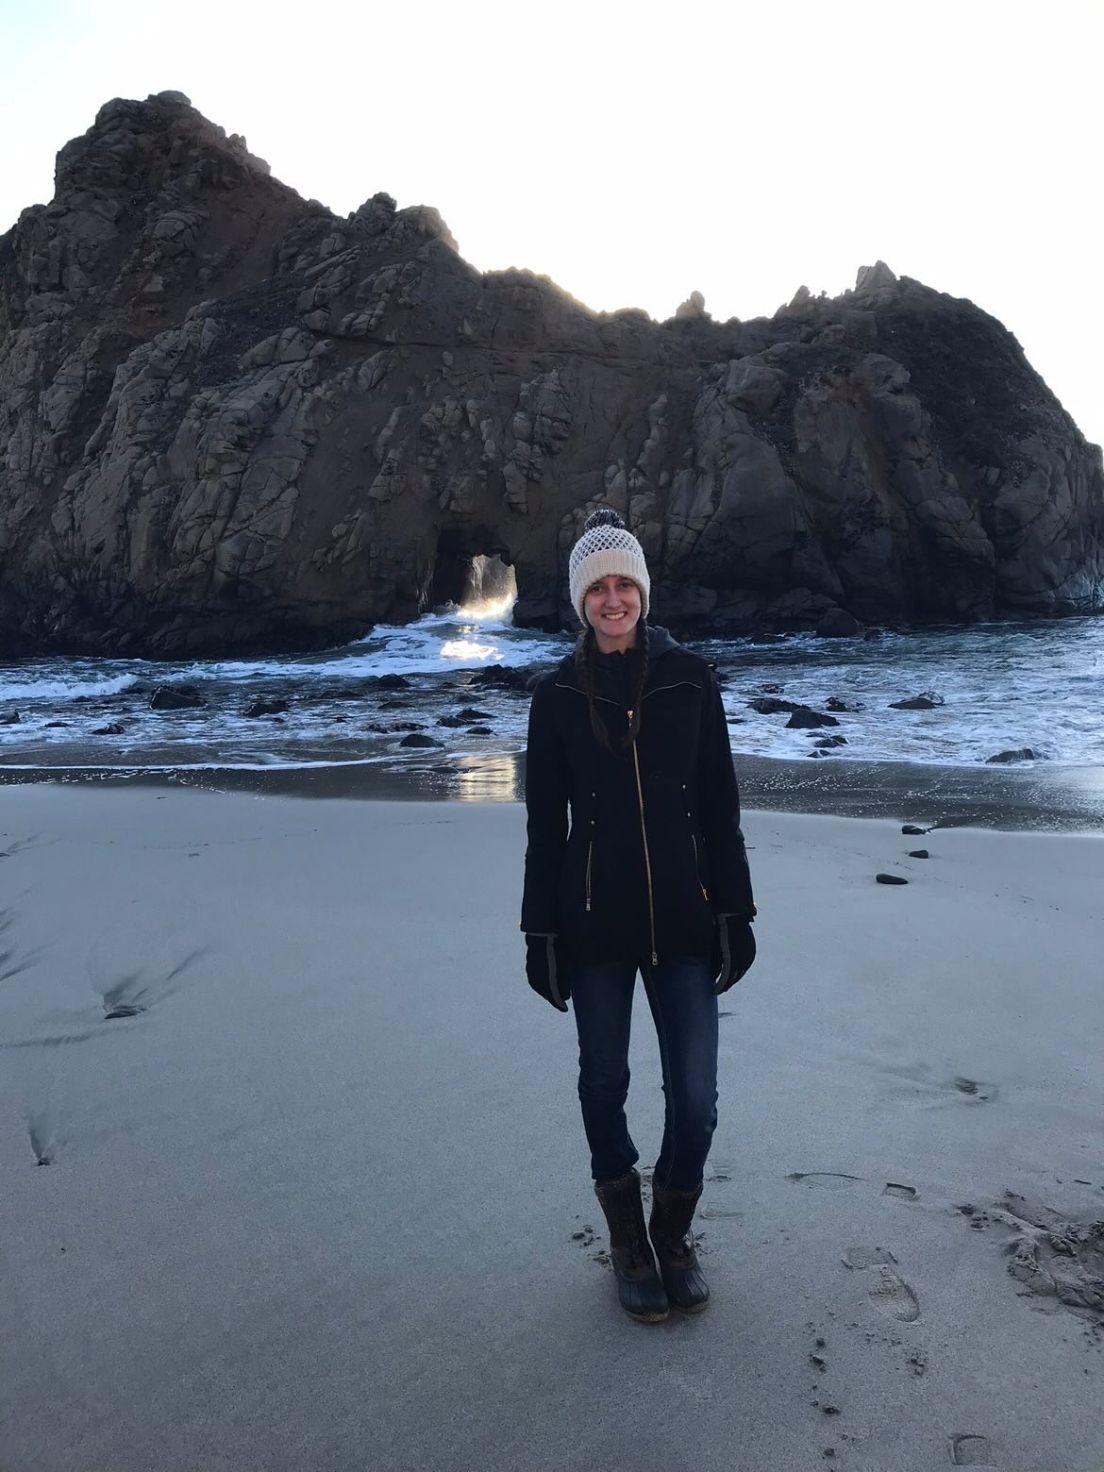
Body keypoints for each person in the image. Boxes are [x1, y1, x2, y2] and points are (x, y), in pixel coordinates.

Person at [521, 507, 757, 1323]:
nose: (613, 599)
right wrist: (539, 933)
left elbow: (719, 807)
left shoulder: (692, 679)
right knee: (604, 1080)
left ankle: (672, 1232)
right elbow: (544, 827)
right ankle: (626, 1240)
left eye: (625, 584)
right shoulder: (553, 696)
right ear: (581, 601)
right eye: (599, 588)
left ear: (643, 594)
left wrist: (738, 910)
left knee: (696, 1100)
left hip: (687, 924)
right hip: (593, 931)